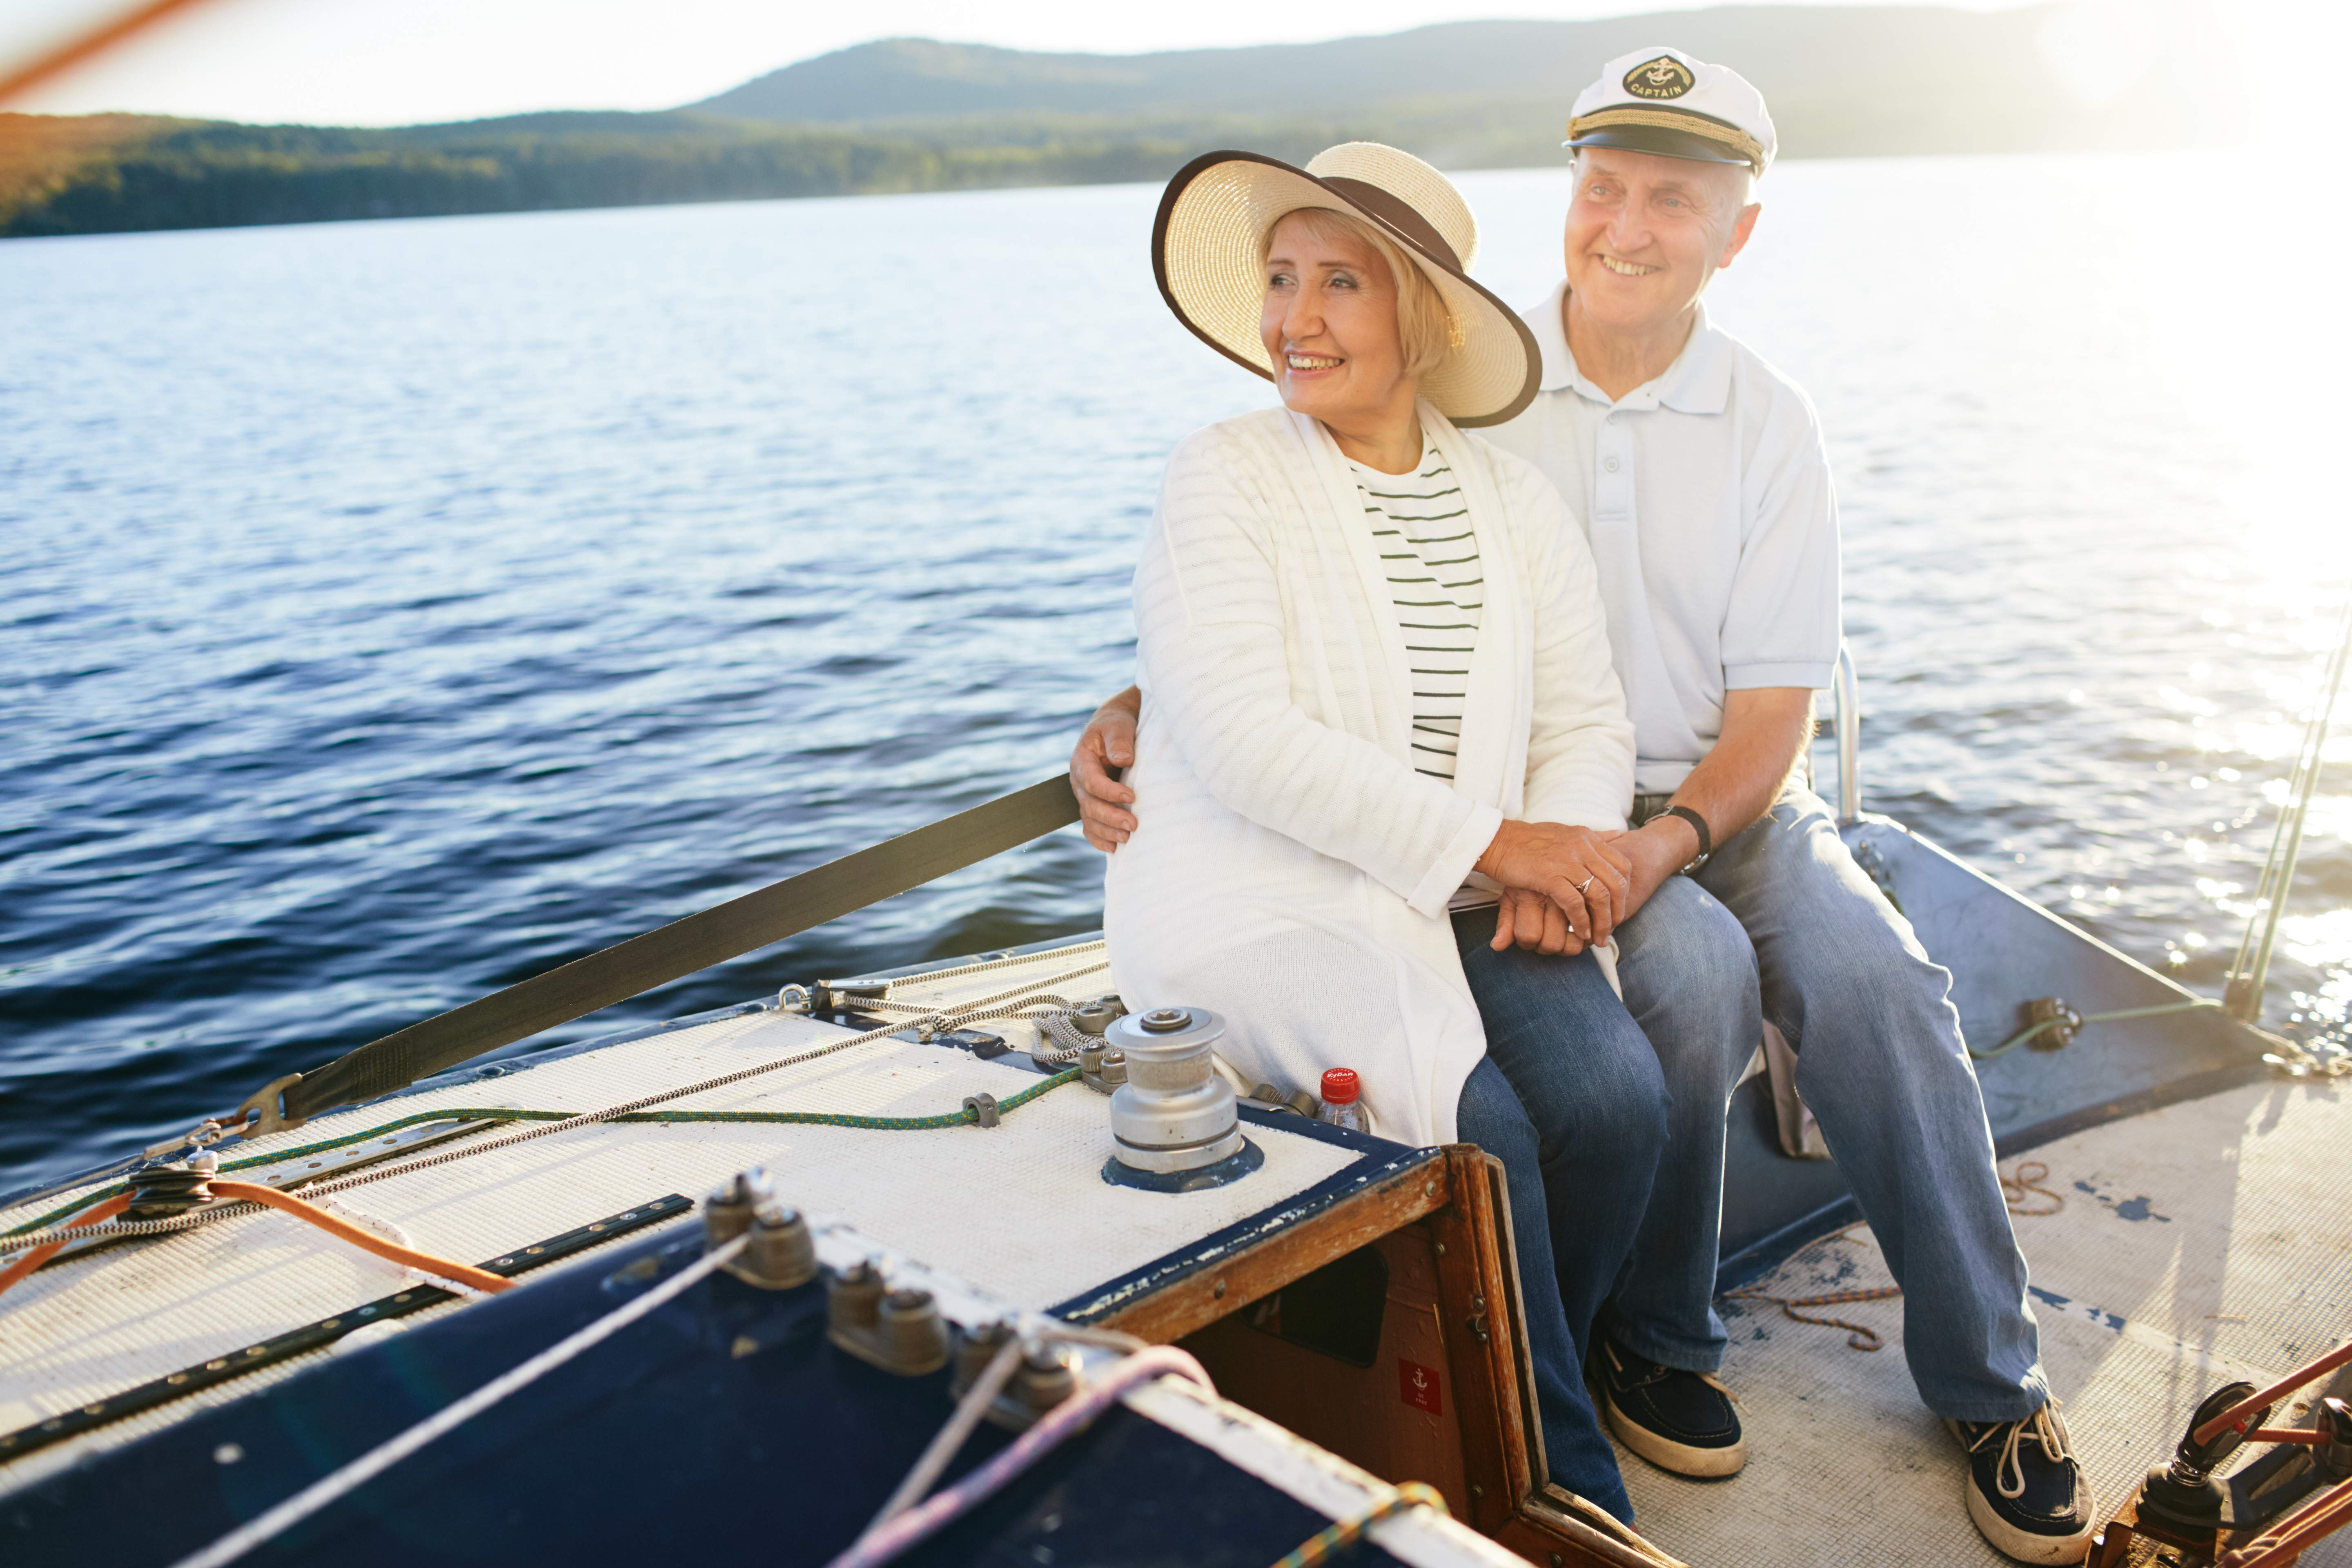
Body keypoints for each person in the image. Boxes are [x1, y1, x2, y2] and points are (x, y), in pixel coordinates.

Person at [1074, 53, 2094, 1567]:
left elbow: (1762, 723)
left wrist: (1637, 850)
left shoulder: (1766, 422)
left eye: (1671, 200)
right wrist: (1137, 708)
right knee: (1679, 987)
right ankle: (1642, 1349)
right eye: (1601, 188)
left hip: (1710, 806)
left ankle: (1992, 1392)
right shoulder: (1478, 396)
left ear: (1733, 233)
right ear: (1568, 201)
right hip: (1502, 833)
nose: (1625, 226)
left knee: (1876, 988)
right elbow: (1297, 624)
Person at [1109, 139, 1668, 1523]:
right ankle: (1557, 1494)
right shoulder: (1222, 476)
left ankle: (1546, 1361)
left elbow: (1586, 719)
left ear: (1423, 314)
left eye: (1339, 284)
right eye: (1283, 280)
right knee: (1480, 1131)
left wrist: (1568, 854)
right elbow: (1242, 742)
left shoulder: (1511, 502)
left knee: (1618, 1104)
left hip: (1465, 890)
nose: (1294, 320)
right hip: (1262, 899)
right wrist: (1498, 844)